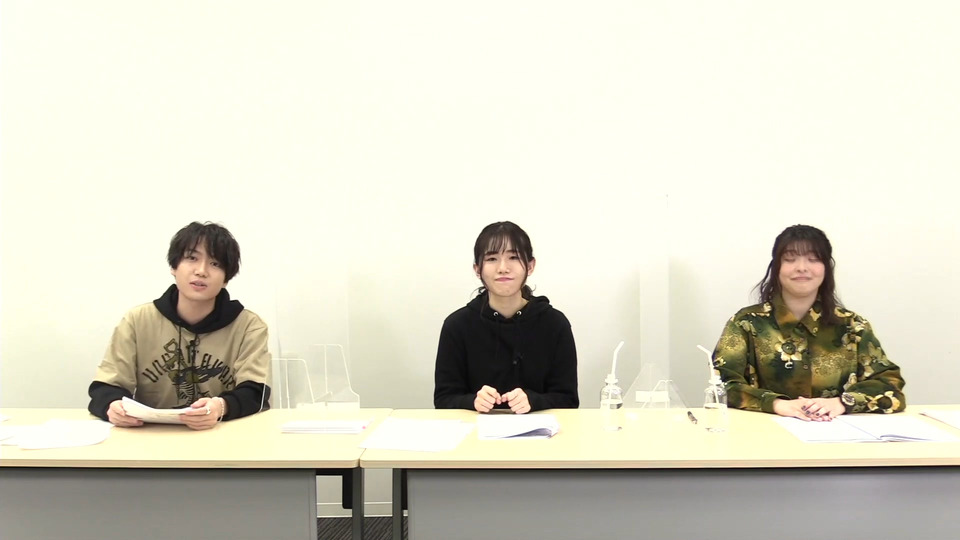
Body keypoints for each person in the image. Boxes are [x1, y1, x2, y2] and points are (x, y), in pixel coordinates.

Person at [88, 221, 271, 430]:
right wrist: (112, 406)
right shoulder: (137, 321)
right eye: (192, 258)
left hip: (221, 435)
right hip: (151, 435)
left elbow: (256, 393)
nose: (201, 271)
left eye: (215, 264)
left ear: (226, 279)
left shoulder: (249, 326)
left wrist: (221, 407)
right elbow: (105, 387)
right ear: (174, 267)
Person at [712, 224, 905, 421]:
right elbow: (721, 385)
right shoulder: (746, 323)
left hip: (838, 433)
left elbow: (890, 386)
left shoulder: (852, 326)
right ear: (776, 267)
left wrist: (842, 402)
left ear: (826, 268)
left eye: (813, 259)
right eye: (790, 259)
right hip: (765, 432)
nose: (802, 268)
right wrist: (776, 404)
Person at [434, 221, 579, 414]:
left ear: (530, 266)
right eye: (492, 258)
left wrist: (533, 401)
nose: (503, 268)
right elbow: (443, 399)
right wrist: (472, 401)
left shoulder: (554, 324)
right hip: (476, 430)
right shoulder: (457, 325)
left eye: (513, 257)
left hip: (539, 431)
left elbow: (568, 400)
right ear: (477, 269)